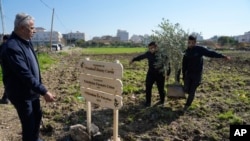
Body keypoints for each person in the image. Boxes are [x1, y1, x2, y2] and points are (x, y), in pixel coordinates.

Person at [0, 13, 56, 141]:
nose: (34, 30)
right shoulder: (12, 47)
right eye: (31, 28)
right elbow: (24, 74)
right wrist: (44, 91)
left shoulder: (26, 42)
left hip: (32, 91)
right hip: (21, 94)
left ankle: (35, 138)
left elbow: (33, 66)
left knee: (37, 117)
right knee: (29, 124)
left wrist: (39, 88)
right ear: (21, 28)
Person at [182, 35, 231, 111]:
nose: (190, 44)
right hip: (188, 74)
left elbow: (211, 53)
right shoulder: (186, 51)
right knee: (186, 89)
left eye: (192, 43)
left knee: (192, 91)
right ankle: (188, 95)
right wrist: (183, 75)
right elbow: (184, 64)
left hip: (197, 74)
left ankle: (187, 105)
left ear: (195, 43)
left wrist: (222, 56)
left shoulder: (199, 50)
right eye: (189, 42)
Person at [129, 41, 171, 107]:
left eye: (152, 48)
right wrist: (133, 59)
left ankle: (162, 101)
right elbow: (141, 57)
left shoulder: (162, 54)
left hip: (160, 74)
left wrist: (168, 74)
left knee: (161, 88)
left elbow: (168, 64)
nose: (151, 49)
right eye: (150, 48)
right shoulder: (148, 54)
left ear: (156, 47)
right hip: (151, 74)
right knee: (148, 87)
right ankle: (148, 102)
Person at [0, 35, 10, 104]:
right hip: (10, 67)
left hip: (5, 67)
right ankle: (6, 98)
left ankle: (6, 98)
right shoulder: (10, 46)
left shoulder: (2, 46)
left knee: (7, 82)